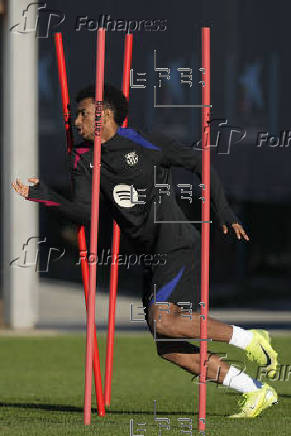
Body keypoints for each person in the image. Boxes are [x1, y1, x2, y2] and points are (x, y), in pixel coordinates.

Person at [12, 84, 278, 418]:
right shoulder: (81, 158)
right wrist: (44, 194)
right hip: (149, 252)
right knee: (168, 348)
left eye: (81, 114)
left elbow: (200, 163)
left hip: (177, 242)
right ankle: (255, 391)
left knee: (163, 319)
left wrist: (221, 211)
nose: (75, 122)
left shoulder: (144, 142)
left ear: (103, 114)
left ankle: (249, 338)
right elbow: (86, 215)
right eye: (73, 116)